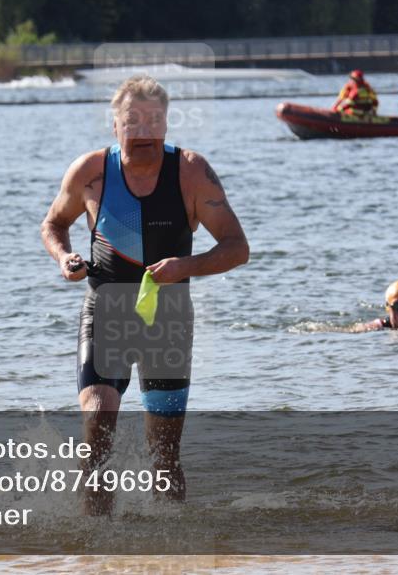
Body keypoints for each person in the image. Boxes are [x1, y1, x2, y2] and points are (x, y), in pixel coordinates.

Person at [41, 75, 249, 514]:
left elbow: (237, 247)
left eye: (154, 120)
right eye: (132, 120)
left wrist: (185, 267)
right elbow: (53, 224)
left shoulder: (191, 172)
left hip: (168, 320)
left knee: (165, 455)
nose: (143, 130)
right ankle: (94, 544)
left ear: (167, 126)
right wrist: (64, 258)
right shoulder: (90, 172)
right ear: (115, 126)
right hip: (107, 312)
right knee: (98, 424)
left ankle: (169, 549)